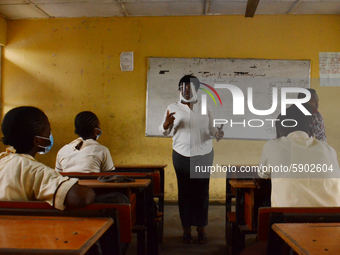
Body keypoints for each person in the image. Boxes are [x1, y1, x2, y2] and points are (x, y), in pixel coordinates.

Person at [159, 75, 224, 244]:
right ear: (180, 89)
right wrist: (166, 124)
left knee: (201, 193)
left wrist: (217, 133)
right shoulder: (173, 107)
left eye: (190, 88)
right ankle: (186, 230)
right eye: (183, 88)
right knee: (185, 193)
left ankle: (201, 230)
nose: (186, 91)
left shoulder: (205, 106)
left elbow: (211, 129)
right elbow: (165, 131)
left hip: (204, 155)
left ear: (197, 89)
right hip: (181, 156)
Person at [0, 106, 95, 210]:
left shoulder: (3, 160)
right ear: (37, 141)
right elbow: (81, 196)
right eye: (48, 132)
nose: (50, 136)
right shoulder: (34, 170)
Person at [257, 104, 340, 207]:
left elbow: (262, 176)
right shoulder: (329, 149)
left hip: (289, 219)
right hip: (332, 218)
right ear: (310, 131)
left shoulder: (272, 146)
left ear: (278, 133)